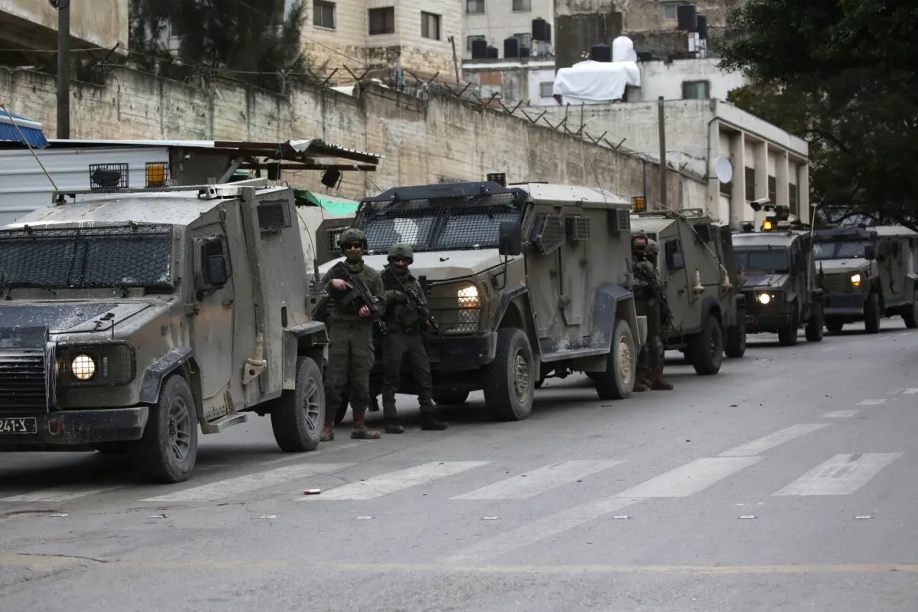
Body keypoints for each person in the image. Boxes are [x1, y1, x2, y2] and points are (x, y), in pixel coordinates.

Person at [319, 228, 387, 442]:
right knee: (334, 381)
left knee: (361, 380)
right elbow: (318, 292)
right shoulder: (335, 271)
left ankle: (359, 425)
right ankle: (328, 427)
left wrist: (371, 310)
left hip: (362, 331)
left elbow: (381, 303)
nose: (353, 249)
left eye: (357, 245)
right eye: (348, 246)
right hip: (339, 329)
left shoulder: (372, 276)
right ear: (343, 249)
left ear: (363, 247)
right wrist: (331, 284)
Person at [379, 243, 449, 433]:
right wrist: (394, 295)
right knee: (391, 377)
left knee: (424, 375)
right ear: (391, 260)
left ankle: (428, 415)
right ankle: (391, 419)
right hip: (394, 334)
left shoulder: (413, 283)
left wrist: (426, 319)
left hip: (414, 335)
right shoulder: (382, 280)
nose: (400, 263)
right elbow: (376, 301)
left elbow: (422, 306)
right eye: (397, 260)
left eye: (404, 260)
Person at [631, 233, 674, 392]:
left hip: (652, 306)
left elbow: (657, 284)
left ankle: (656, 377)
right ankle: (638, 377)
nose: (642, 249)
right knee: (641, 343)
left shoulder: (649, 265)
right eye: (638, 245)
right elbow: (628, 283)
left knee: (656, 343)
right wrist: (644, 287)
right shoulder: (629, 264)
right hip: (638, 304)